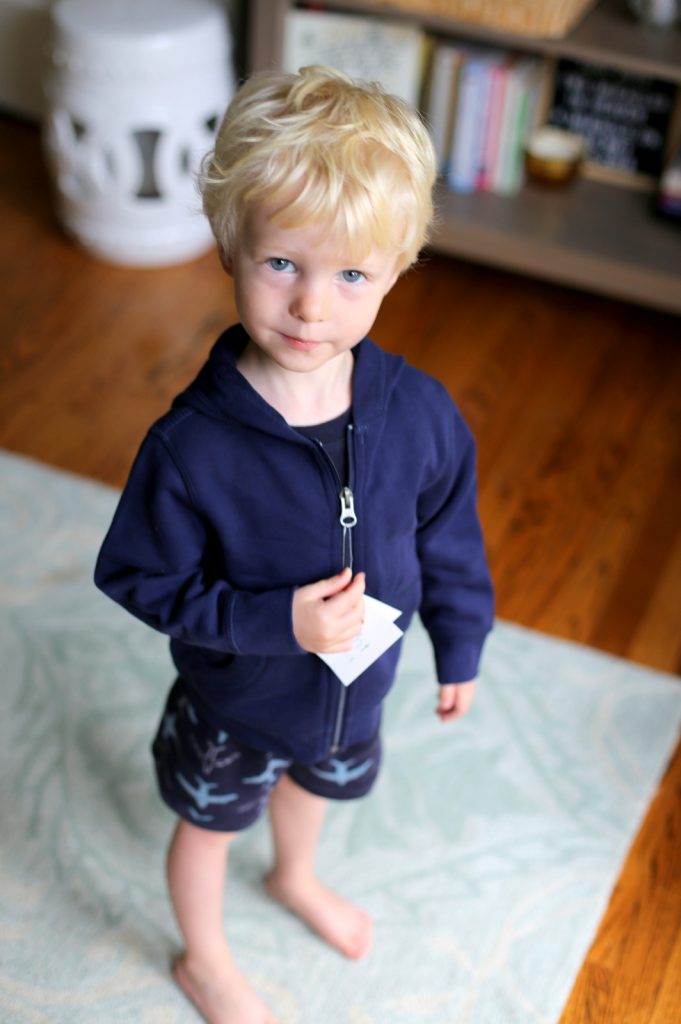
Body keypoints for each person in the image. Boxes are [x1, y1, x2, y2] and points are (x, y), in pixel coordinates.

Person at [95, 64, 494, 1024]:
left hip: (355, 688)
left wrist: (461, 641)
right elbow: (136, 575)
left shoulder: (418, 413)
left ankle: (295, 876)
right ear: (229, 245)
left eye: (350, 275)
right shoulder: (191, 447)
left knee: (312, 791)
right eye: (282, 263)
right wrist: (276, 624)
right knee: (207, 828)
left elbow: (448, 532)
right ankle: (204, 959)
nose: (313, 306)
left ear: (394, 270)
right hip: (235, 701)